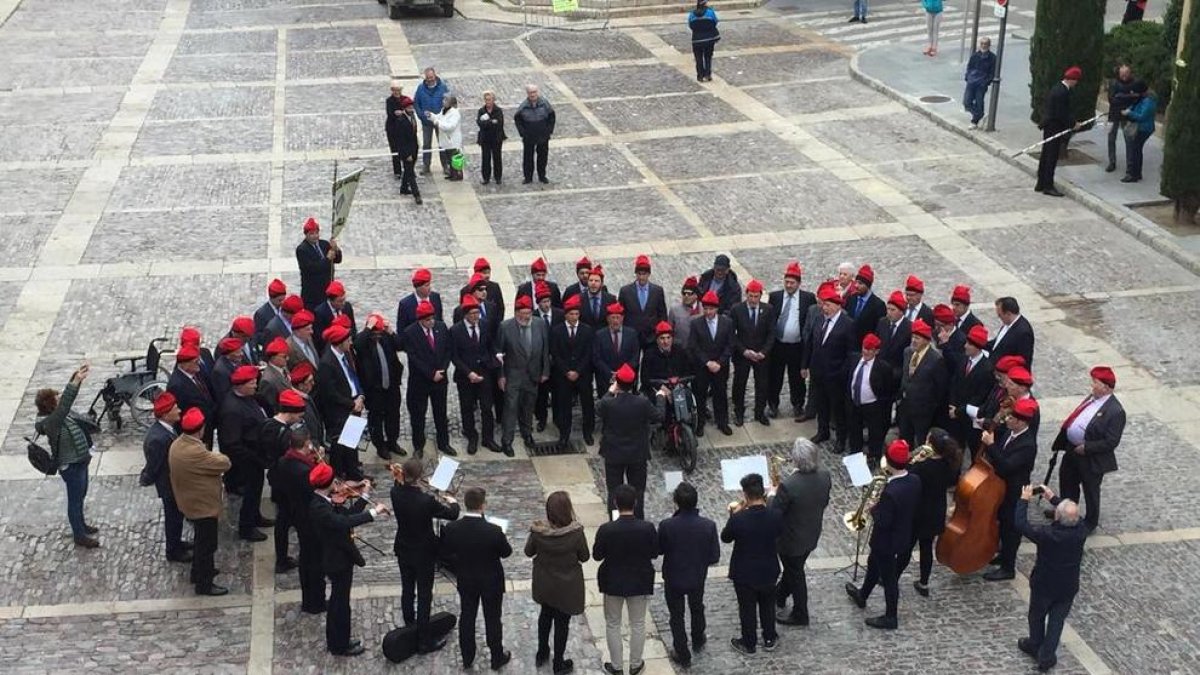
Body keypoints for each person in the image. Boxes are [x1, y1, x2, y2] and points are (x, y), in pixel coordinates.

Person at [309, 462, 391, 656]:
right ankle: (339, 644)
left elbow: (348, 514)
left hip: (338, 557)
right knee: (340, 604)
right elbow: (343, 522)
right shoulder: (320, 509)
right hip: (337, 560)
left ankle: (339, 640)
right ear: (329, 483)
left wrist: (364, 495)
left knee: (340, 601)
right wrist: (374, 512)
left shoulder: (324, 500)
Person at [845, 440, 922, 629]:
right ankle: (863, 595)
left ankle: (891, 617)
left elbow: (883, 521)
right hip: (903, 533)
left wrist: (873, 508)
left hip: (886, 541)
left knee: (889, 579)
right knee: (873, 564)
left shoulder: (890, 492)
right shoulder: (914, 480)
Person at [1015, 484, 1088, 672]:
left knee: (1037, 616)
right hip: (1067, 586)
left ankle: (1034, 643)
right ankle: (1046, 657)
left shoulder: (1047, 535)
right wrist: (1053, 498)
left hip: (1044, 584)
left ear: (1057, 516)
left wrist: (1024, 499)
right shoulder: (1080, 531)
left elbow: (1021, 524)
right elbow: (1073, 516)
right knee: (1056, 622)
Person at [391, 457, 460, 653]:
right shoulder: (425, 501)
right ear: (420, 476)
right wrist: (453, 501)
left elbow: (398, 482)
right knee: (424, 594)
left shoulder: (395, 492)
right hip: (423, 552)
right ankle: (423, 640)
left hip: (404, 548)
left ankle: (409, 622)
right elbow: (452, 514)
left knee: (407, 588)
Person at [440, 487, 512, 670]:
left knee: (467, 617)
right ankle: (497, 657)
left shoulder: (453, 528)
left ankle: (467, 657)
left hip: (467, 579)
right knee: (493, 619)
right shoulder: (494, 530)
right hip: (491, 581)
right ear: (482, 506)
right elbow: (506, 552)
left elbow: (446, 553)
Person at [594, 484, 659, 675]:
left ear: (615, 503)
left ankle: (616, 666)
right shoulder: (647, 528)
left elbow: (597, 555)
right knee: (638, 623)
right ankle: (636, 664)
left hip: (612, 581)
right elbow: (655, 553)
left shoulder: (607, 529)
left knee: (613, 623)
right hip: (639, 580)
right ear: (635, 503)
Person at [525, 491, 590, 675]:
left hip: (545, 583)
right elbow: (584, 557)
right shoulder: (576, 533)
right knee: (562, 623)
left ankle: (542, 652)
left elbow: (528, 552)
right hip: (567, 587)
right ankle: (558, 662)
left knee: (545, 616)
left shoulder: (539, 533)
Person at [1054, 366, 1125, 533]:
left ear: (1106, 387)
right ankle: (1066, 512)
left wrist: (1087, 448)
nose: (1092, 385)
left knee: (1090, 490)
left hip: (1090, 457)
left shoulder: (1116, 411)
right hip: (1072, 450)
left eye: (1095, 382)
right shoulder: (1091, 398)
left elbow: (1111, 441)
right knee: (1067, 481)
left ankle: (1090, 521)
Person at [169, 408, 232, 596]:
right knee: (207, 545)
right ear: (201, 429)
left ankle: (197, 572)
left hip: (189, 500)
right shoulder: (197, 452)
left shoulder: (178, 444)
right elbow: (224, 462)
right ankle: (204, 583)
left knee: (200, 540)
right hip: (202, 505)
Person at [36, 364, 99, 548]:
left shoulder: (56, 414)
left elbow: (65, 400)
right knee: (75, 499)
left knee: (81, 495)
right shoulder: (52, 421)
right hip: (70, 466)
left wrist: (75, 378)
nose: (59, 398)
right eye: (56, 398)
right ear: (51, 405)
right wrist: (76, 381)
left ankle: (81, 525)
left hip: (80, 460)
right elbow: (66, 403)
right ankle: (79, 535)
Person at [769, 438, 831, 627]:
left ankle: (800, 614)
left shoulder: (789, 485)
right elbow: (824, 502)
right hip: (811, 533)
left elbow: (774, 513)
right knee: (793, 569)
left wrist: (772, 494)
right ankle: (779, 596)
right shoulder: (825, 476)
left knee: (795, 573)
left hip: (791, 540)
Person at [658, 482, 720, 668]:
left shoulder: (667, 525)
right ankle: (698, 637)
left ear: (676, 502)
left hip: (674, 577)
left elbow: (659, 549)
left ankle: (682, 651)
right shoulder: (708, 525)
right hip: (697, 576)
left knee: (676, 615)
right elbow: (714, 556)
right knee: (697, 606)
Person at [722, 473, 784, 654]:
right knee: (767, 605)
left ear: (745, 495)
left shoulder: (739, 518)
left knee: (747, 609)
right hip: (768, 568)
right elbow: (779, 532)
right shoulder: (776, 515)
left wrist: (733, 515)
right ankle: (770, 638)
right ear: (762, 492)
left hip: (744, 572)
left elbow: (725, 537)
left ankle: (749, 643)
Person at [598, 364, 666, 520]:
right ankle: (637, 520)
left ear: (617, 383)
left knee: (614, 492)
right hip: (637, 454)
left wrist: (610, 391)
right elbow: (659, 416)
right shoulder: (641, 403)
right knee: (638, 492)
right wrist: (660, 397)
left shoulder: (609, 403)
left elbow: (598, 408)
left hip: (614, 454)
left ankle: (615, 521)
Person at [899, 428, 961, 597]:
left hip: (919, 512)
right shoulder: (949, 463)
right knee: (926, 548)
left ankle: (892, 576)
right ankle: (924, 582)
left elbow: (908, 478)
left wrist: (914, 462)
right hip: (935, 511)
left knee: (907, 547)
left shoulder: (923, 466)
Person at [983, 397, 1040, 581]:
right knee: (1003, 525)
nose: (1007, 421)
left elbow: (1007, 466)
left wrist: (990, 446)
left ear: (1021, 422)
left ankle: (1008, 568)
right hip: (1002, 488)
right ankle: (1003, 555)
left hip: (1015, 492)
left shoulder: (1027, 444)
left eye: (1011, 419)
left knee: (1011, 529)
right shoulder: (1011, 433)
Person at [272, 427, 326, 614]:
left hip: (295, 511)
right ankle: (315, 602)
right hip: (308, 517)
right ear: (305, 444)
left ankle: (309, 600)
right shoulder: (303, 470)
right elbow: (318, 484)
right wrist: (320, 462)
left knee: (306, 558)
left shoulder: (284, 461)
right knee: (314, 561)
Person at [219, 364, 272, 542]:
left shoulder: (247, 398)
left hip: (255, 455)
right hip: (247, 460)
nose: (255, 386)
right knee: (250, 493)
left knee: (256, 490)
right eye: (252, 383)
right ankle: (247, 527)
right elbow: (232, 442)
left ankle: (255, 516)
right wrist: (254, 458)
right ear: (240, 386)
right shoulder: (232, 409)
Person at [496, 295, 550, 456]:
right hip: (513, 375)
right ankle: (507, 440)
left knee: (528, 407)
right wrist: (501, 375)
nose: (526, 317)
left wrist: (545, 371)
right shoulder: (505, 327)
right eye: (523, 313)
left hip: (533, 374)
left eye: (528, 313)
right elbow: (499, 354)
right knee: (511, 408)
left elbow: (545, 349)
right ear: (516, 313)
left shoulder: (539, 324)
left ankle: (527, 433)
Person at [803, 283, 856, 449]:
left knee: (837, 409)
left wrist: (842, 372)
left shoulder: (847, 324)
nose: (824, 308)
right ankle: (822, 431)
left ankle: (841, 438)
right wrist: (805, 365)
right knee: (821, 405)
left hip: (836, 375)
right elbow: (811, 344)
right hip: (818, 373)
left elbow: (851, 353)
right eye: (823, 304)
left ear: (837, 306)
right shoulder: (819, 319)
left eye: (827, 305)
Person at [140, 392, 191, 562]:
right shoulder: (158, 438)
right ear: (165, 414)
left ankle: (176, 542)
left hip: (175, 482)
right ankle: (173, 550)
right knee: (173, 517)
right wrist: (146, 478)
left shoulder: (166, 430)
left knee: (177, 516)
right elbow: (154, 466)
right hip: (169, 485)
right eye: (175, 408)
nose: (179, 410)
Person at [404, 300, 454, 458]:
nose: (431, 322)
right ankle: (418, 445)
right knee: (418, 415)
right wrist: (431, 373)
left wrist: (443, 369)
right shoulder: (410, 333)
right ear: (420, 320)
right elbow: (414, 358)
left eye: (432, 318)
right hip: (421, 382)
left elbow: (447, 350)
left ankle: (444, 442)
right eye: (427, 320)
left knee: (441, 412)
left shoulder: (441, 327)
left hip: (440, 379)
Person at [263, 389, 307, 572]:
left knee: (284, 520)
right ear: (290, 413)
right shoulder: (282, 433)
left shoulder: (268, 425)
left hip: (279, 480)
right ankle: (283, 559)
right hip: (287, 483)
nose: (299, 419)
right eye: (298, 415)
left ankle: (282, 558)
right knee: (288, 520)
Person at [315, 324, 366, 480]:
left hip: (353, 404)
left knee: (352, 444)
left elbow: (353, 377)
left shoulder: (346, 355)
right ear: (339, 342)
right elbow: (330, 393)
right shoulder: (327, 363)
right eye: (348, 340)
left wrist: (360, 396)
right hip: (340, 412)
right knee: (340, 447)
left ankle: (353, 472)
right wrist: (352, 404)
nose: (350, 343)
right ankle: (340, 475)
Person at [451, 295, 500, 454]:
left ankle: (488, 438)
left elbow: (490, 346)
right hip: (465, 376)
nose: (475, 317)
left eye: (477, 313)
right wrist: (469, 373)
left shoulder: (485, 325)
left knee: (486, 407)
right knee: (467, 408)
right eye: (472, 314)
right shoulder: (456, 330)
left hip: (484, 373)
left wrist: (493, 362)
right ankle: (472, 436)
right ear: (465, 314)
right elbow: (454, 356)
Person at [354, 312, 404, 460]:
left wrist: (390, 331)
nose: (377, 337)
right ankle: (380, 446)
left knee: (393, 416)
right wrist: (368, 329)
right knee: (376, 419)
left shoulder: (386, 337)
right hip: (374, 390)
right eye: (374, 334)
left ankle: (393, 442)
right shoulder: (364, 342)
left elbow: (401, 344)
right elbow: (357, 344)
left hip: (392, 387)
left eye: (379, 334)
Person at [767, 262, 813, 420]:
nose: (789, 285)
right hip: (778, 345)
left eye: (792, 283)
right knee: (775, 376)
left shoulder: (808, 298)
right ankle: (773, 403)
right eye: (786, 282)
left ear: (799, 283)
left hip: (797, 346)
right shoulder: (775, 297)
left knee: (797, 378)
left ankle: (798, 404)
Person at [550, 295, 596, 446]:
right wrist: (566, 371)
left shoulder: (587, 330)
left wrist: (578, 371)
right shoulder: (557, 331)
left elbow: (589, 353)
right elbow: (555, 354)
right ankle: (564, 434)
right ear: (566, 314)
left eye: (576, 314)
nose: (574, 317)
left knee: (587, 404)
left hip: (582, 374)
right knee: (564, 406)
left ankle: (588, 432)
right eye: (571, 314)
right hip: (564, 375)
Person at [731, 279, 776, 427]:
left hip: (761, 355)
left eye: (756, 296)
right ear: (746, 294)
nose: (753, 299)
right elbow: (732, 334)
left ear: (760, 296)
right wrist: (743, 351)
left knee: (762, 384)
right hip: (743, 354)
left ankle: (759, 412)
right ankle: (739, 412)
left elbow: (771, 333)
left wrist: (763, 352)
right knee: (739, 384)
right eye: (751, 296)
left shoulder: (768, 310)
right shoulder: (737, 309)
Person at [688, 290, 733, 437]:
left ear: (717, 309)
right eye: (706, 308)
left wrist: (719, 362)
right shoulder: (696, 323)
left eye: (711, 309)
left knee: (720, 394)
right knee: (700, 396)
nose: (708, 312)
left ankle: (722, 422)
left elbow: (729, 345)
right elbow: (693, 346)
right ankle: (700, 423)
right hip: (702, 367)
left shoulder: (727, 323)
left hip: (720, 367)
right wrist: (707, 362)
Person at [897, 319, 947, 448]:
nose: (914, 340)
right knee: (904, 439)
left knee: (921, 441)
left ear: (926, 340)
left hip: (923, 412)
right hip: (905, 406)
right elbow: (905, 376)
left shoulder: (936, 360)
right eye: (913, 337)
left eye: (917, 338)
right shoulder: (907, 352)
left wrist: (930, 407)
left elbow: (940, 388)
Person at [846, 333, 895, 464]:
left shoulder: (883, 367)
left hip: (872, 406)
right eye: (864, 348)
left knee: (875, 433)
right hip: (855, 403)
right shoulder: (854, 359)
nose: (865, 352)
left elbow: (888, 390)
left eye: (869, 350)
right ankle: (855, 453)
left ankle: (874, 456)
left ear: (877, 351)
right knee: (854, 430)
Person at [1035, 66, 1084, 197]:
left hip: (1049, 125)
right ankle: (1048, 185)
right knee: (1051, 157)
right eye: (1076, 80)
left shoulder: (1057, 88)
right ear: (1072, 79)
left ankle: (1041, 182)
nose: (1077, 83)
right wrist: (1073, 124)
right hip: (1054, 127)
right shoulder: (1062, 92)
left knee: (1046, 155)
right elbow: (1062, 113)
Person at [947, 324, 993, 454]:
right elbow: (954, 382)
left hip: (970, 418)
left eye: (969, 344)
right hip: (955, 413)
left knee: (974, 450)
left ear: (978, 348)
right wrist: (952, 405)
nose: (965, 346)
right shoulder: (964, 359)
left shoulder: (987, 369)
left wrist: (959, 411)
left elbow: (980, 397)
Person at [169, 342, 217, 449]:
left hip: (205, 428)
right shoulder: (177, 385)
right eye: (195, 362)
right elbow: (179, 415)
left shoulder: (195, 374)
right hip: (194, 435)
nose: (198, 364)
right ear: (184, 364)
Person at [533, 282, 564, 433]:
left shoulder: (559, 314)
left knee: (558, 391)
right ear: (538, 303)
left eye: (548, 301)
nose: (546, 305)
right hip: (540, 361)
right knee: (542, 393)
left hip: (557, 359)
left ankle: (558, 418)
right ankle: (542, 418)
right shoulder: (533, 316)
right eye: (543, 302)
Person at [618, 254, 668, 349]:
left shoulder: (657, 291)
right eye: (639, 274)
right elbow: (621, 313)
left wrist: (660, 332)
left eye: (644, 274)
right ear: (636, 274)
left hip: (651, 335)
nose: (641, 277)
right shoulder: (625, 291)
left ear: (649, 274)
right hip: (631, 335)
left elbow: (662, 313)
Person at [593, 301, 641, 393]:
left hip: (626, 380)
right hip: (606, 379)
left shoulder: (632, 334)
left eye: (618, 317)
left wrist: (621, 372)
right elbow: (597, 358)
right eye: (613, 317)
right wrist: (610, 373)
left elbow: (635, 357)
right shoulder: (599, 335)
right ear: (607, 319)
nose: (615, 321)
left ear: (622, 318)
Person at [295, 217, 342, 310]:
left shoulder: (324, 244)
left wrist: (336, 249)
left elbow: (338, 260)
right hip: (313, 294)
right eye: (311, 234)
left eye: (316, 233)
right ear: (306, 235)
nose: (315, 236)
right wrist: (327, 259)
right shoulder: (302, 250)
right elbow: (313, 269)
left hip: (327, 289)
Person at [514, 84, 556, 184]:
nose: (533, 95)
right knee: (528, 157)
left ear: (537, 92)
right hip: (529, 136)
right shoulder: (523, 106)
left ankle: (542, 176)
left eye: (534, 92)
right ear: (527, 94)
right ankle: (528, 177)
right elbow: (518, 119)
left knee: (542, 157)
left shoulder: (545, 104)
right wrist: (523, 133)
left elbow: (552, 116)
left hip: (542, 135)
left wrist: (549, 130)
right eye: (530, 93)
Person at [413, 67, 450, 176]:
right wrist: (421, 116)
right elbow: (416, 103)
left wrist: (443, 116)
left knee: (442, 144)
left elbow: (449, 102)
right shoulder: (420, 88)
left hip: (440, 121)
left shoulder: (443, 87)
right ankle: (426, 165)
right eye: (428, 77)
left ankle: (445, 165)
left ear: (435, 76)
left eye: (431, 77)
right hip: (427, 122)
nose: (430, 79)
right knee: (426, 144)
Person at [1119, 80, 1157, 183]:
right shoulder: (1143, 98)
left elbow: (1142, 116)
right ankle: (1137, 173)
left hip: (1144, 128)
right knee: (1137, 150)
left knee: (1135, 150)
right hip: (1141, 127)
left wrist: (1129, 113)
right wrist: (1128, 110)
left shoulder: (1149, 101)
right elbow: (1135, 106)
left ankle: (1133, 175)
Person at [1105, 65, 1138, 173]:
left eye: (1126, 74)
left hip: (1127, 115)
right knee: (1111, 138)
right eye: (1122, 74)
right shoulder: (1114, 83)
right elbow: (1111, 99)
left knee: (1129, 139)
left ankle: (1130, 165)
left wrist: (1120, 96)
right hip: (1113, 114)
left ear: (1130, 73)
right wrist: (1128, 96)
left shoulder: (1134, 83)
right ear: (1119, 74)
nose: (1124, 76)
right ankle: (1112, 162)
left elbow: (1136, 99)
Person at [989, 296, 1035, 366]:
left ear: (1008, 314)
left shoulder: (1023, 332)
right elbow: (998, 343)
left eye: (1000, 315)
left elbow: (1023, 361)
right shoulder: (1007, 323)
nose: (999, 317)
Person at [393, 95, 423, 204]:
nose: (411, 109)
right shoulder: (401, 121)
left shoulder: (412, 117)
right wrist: (407, 154)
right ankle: (417, 194)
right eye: (409, 108)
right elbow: (401, 140)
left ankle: (404, 188)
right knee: (410, 173)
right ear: (405, 108)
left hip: (414, 148)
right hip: (406, 151)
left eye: (412, 107)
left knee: (408, 170)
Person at [397, 267, 444, 334]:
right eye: (426, 285)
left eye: (429, 284)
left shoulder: (435, 298)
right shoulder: (405, 304)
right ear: (418, 287)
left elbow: (440, 320)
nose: (429, 288)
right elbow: (401, 330)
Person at [313, 280, 358, 351]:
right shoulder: (320, 312)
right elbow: (320, 339)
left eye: (344, 300)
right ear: (331, 301)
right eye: (340, 301)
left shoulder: (347, 307)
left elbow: (353, 328)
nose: (343, 303)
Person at [426, 94, 463, 181]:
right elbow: (438, 117)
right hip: (446, 140)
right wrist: (431, 116)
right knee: (449, 158)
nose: (443, 101)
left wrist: (438, 123)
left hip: (452, 140)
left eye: (445, 100)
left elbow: (450, 126)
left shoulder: (455, 113)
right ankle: (452, 173)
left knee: (455, 158)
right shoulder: (444, 110)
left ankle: (457, 175)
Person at [964, 37, 996, 128]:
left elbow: (992, 72)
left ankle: (975, 121)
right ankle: (980, 114)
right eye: (982, 43)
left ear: (989, 45)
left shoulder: (992, 58)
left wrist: (986, 82)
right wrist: (967, 77)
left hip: (981, 83)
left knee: (979, 101)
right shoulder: (975, 55)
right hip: (971, 82)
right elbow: (969, 67)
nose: (983, 46)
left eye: (985, 44)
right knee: (967, 102)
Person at [476, 91, 506, 185]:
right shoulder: (481, 111)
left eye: (489, 99)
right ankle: (486, 177)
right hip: (485, 138)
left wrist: (487, 122)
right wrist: (491, 122)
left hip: (496, 138)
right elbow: (480, 123)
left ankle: (498, 177)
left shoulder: (498, 110)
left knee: (497, 158)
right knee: (485, 158)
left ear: (493, 100)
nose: (488, 101)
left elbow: (499, 124)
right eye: (486, 100)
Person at [687, 0, 719, 82]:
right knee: (708, 57)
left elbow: (690, 24)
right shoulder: (710, 12)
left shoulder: (692, 14)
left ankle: (700, 75)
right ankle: (708, 74)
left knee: (698, 58)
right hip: (709, 39)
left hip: (696, 39)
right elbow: (715, 21)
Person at [257, 337, 291, 414]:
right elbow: (271, 408)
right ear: (273, 357)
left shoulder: (283, 367)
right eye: (284, 357)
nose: (288, 359)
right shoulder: (268, 381)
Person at [254, 278, 288, 346]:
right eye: (279, 300)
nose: (282, 302)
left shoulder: (285, 308)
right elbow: (258, 337)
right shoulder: (261, 314)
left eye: (284, 299)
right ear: (272, 298)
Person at [385, 81, 408, 178]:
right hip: (392, 129)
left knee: (406, 149)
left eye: (398, 90)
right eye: (395, 90)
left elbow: (409, 110)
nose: (397, 92)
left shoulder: (405, 99)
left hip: (403, 129)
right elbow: (390, 113)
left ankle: (408, 169)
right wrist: (397, 113)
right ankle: (397, 171)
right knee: (395, 150)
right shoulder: (389, 101)